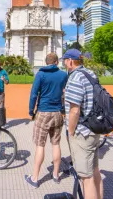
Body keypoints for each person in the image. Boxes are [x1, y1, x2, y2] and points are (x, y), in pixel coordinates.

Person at [62, 49, 103, 199]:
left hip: (82, 132)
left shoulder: (75, 77)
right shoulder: (90, 73)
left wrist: (71, 132)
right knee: (95, 171)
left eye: (65, 60)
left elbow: (74, 110)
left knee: (86, 178)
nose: (64, 63)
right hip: (93, 128)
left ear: (70, 61)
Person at [25, 53, 68, 189]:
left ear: (46, 62)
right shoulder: (63, 75)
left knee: (40, 145)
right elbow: (65, 92)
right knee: (56, 144)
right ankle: (56, 175)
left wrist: (31, 110)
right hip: (57, 113)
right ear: (56, 62)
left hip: (43, 111)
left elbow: (34, 94)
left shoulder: (40, 74)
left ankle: (35, 178)